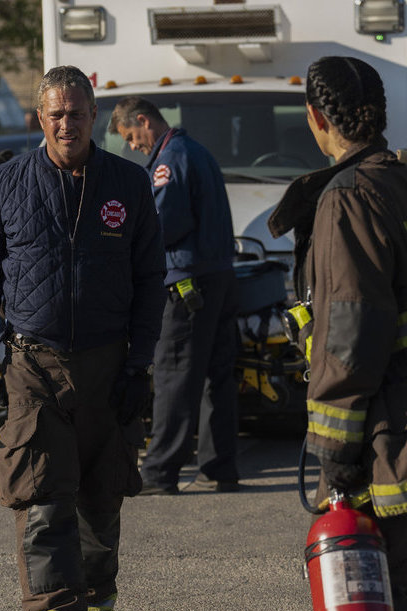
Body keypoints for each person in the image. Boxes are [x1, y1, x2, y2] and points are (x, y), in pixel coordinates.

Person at [267, 56, 407, 611]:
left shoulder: (348, 200)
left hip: (393, 440)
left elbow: (349, 333)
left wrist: (334, 448)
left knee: (389, 589)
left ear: (315, 118)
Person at [0, 66, 166, 611]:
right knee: (45, 496)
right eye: (55, 114)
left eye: (76, 113)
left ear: (94, 115)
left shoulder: (128, 185)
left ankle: (97, 609)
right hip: (33, 364)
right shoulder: (8, 184)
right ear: (39, 119)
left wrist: (140, 367)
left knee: (101, 497)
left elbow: (151, 281)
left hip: (108, 364)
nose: (66, 124)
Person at [109, 96, 240, 495]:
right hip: (218, 278)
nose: (132, 146)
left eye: (130, 137)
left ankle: (160, 472)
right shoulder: (196, 151)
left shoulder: (169, 162)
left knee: (174, 375)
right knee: (216, 377)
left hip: (186, 285)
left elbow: (163, 226)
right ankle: (219, 467)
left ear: (144, 122)